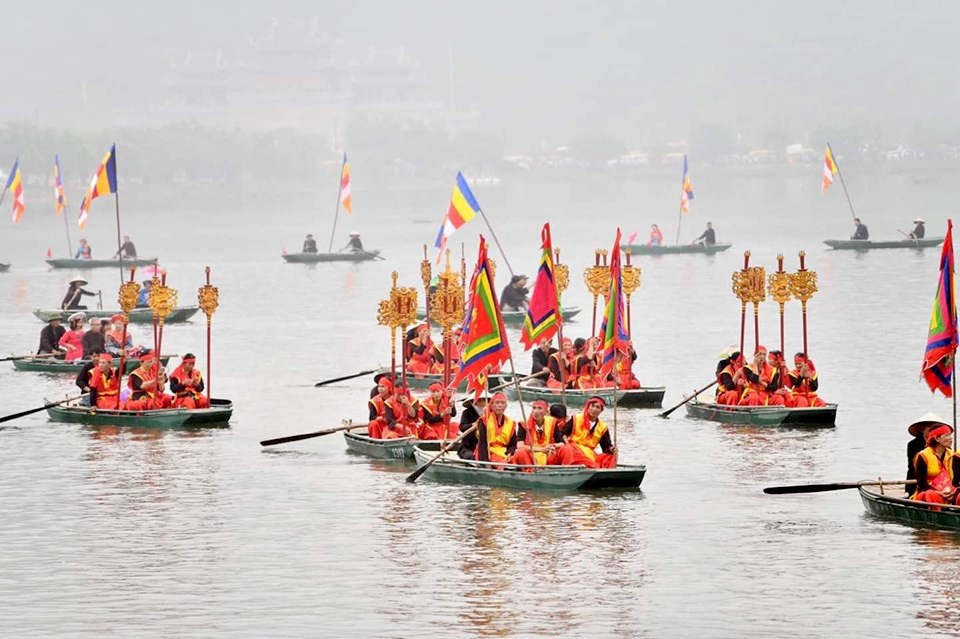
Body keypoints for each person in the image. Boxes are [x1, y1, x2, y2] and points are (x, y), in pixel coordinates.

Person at [557, 396, 617, 468]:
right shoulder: (576, 418)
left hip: (589, 453)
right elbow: (561, 433)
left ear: (601, 410)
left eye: (598, 407)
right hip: (574, 450)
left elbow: (606, 446)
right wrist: (566, 444)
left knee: (611, 456)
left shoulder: (603, 427)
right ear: (588, 407)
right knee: (567, 450)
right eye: (592, 406)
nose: (594, 409)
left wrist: (611, 449)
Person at [911, 420, 960, 505]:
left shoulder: (953, 455)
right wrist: (939, 493)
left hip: (949, 491)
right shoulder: (923, 456)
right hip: (928, 493)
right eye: (947, 436)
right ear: (937, 439)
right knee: (931, 495)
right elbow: (921, 485)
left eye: (950, 436)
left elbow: (956, 481)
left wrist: (952, 491)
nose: (950, 439)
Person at [512, 400, 563, 467]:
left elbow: (562, 443)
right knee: (520, 452)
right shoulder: (524, 424)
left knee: (565, 449)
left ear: (546, 411)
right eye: (534, 408)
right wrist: (542, 449)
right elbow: (520, 446)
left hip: (548, 454)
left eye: (539, 408)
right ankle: (530, 471)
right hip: (531, 455)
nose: (536, 411)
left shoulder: (552, 422)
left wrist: (552, 446)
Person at [474, 392, 518, 463]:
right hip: (488, 452)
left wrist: (510, 453)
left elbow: (513, 444)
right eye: (497, 403)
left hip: (504, 453)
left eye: (502, 403)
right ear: (491, 405)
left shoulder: (511, 423)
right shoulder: (484, 420)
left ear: (506, 406)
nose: (500, 405)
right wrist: (485, 462)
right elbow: (482, 444)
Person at [907, 413, 944, 490]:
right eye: (930, 427)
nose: (932, 430)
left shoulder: (940, 444)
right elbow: (914, 467)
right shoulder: (913, 444)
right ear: (922, 429)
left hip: (940, 481)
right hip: (917, 480)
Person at [457, 395, 488, 460]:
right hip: (468, 447)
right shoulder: (467, 412)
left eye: (483, 400)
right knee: (473, 456)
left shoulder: (490, 414)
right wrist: (473, 425)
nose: (482, 403)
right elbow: (462, 427)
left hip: (486, 448)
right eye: (479, 400)